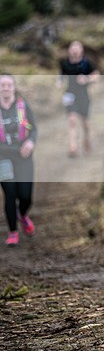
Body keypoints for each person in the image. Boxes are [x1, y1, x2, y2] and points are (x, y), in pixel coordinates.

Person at [0, 74, 37, 246]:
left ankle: (22, 215)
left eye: (9, 84)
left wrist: (30, 142)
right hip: (3, 158)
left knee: (25, 196)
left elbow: (34, 129)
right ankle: (13, 232)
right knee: (10, 194)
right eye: (2, 85)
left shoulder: (23, 106)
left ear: (14, 87)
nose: (5, 87)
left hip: (23, 156)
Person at [58, 41, 100, 158]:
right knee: (72, 120)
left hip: (83, 95)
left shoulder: (87, 63)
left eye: (77, 48)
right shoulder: (65, 63)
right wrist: (59, 82)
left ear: (81, 50)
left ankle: (86, 139)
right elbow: (61, 74)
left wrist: (86, 78)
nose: (75, 50)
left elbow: (96, 75)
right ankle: (73, 147)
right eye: (72, 48)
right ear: (69, 50)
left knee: (85, 122)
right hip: (70, 94)